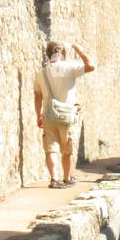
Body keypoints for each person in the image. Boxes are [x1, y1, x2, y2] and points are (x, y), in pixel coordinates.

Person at [34, 40, 95, 189]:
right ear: (62, 54)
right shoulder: (69, 67)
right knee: (66, 150)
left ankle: (54, 179)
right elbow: (91, 66)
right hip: (67, 114)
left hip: (49, 114)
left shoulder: (41, 73)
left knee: (51, 149)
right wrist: (79, 50)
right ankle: (67, 178)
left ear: (48, 54)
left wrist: (38, 115)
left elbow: (37, 96)